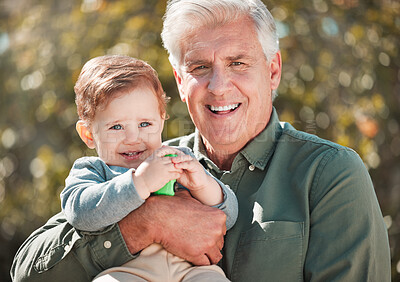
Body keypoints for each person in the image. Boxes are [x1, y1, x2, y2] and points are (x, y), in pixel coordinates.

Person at [11, 0, 391, 281]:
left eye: (238, 63)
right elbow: (25, 271)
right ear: (179, 81)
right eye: (199, 67)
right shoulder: (143, 161)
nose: (219, 87)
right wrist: (147, 222)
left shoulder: (328, 174)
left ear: (272, 70)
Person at [64, 54, 237, 281]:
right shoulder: (93, 170)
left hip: (193, 269)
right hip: (128, 270)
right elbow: (80, 213)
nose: (133, 137)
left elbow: (229, 215)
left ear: (162, 120)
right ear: (88, 134)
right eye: (116, 127)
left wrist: (203, 184)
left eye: (145, 124)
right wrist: (140, 182)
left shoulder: (177, 158)